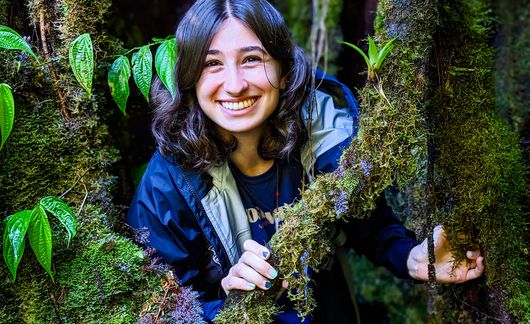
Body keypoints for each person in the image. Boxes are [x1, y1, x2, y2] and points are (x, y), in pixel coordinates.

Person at [126, 0, 485, 322]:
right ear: (189, 79)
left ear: (282, 70)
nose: (234, 85)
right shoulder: (169, 182)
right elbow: (160, 308)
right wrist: (230, 307)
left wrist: (412, 257)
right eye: (212, 64)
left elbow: (369, 227)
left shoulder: (322, 136)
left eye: (251, 59)